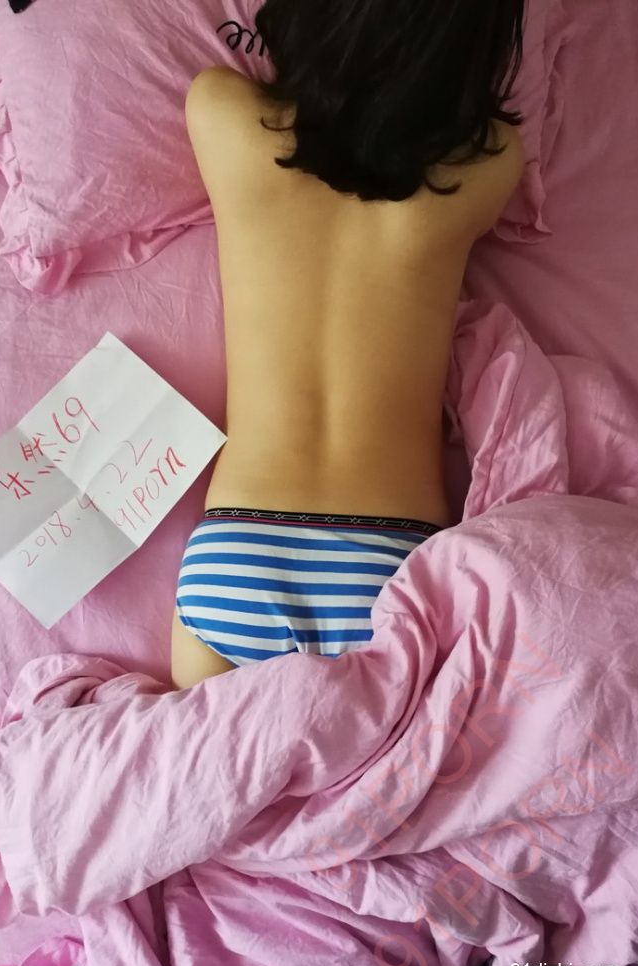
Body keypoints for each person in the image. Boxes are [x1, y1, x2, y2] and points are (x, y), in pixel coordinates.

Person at [171, 0, 527, 689]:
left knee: (203, 758)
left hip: (237, 553)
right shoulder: (489, 162)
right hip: (388, 563)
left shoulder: (220, 111)